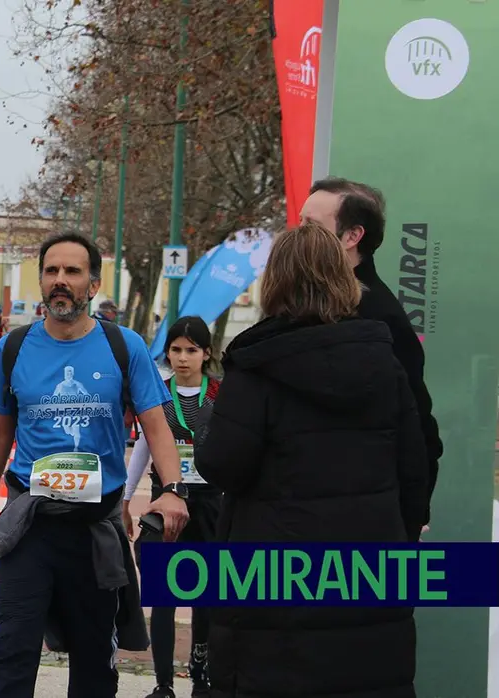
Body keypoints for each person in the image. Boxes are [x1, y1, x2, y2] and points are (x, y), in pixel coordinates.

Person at [194, 222, 429, 698]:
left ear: (275, 281)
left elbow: (223, 465)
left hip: (273, 588)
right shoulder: (384, 363)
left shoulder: (255, 367)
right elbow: (415, 472)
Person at [0, 232, 189, 698]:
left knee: (94, 661)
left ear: (93, 282)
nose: (61, 281)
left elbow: (157, 424)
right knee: (13, 649)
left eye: (72, 272)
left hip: (95, 529)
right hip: (29, 525)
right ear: (42, 280)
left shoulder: (123, 346)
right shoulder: (14, 348)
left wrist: (173, 488)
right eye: (52, 271)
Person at [300, 177, 441, 528]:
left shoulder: (380, 318)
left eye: (311, 226)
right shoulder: (304, 305)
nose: (298, 235)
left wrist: (410, 516)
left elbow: (418, 428)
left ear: (352, 237)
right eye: (299, 222)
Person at [123, 315, 220, 698]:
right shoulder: (157, 395)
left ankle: (201, 676)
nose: (183, 358)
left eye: (191, 350)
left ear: (206, 353)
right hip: (166, 506)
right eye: (176, 350)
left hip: (211, 505)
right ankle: (163, 683)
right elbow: (142, 451)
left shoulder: (222, 396)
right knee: (163, 599)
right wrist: (126, 499)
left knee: (207, 598)